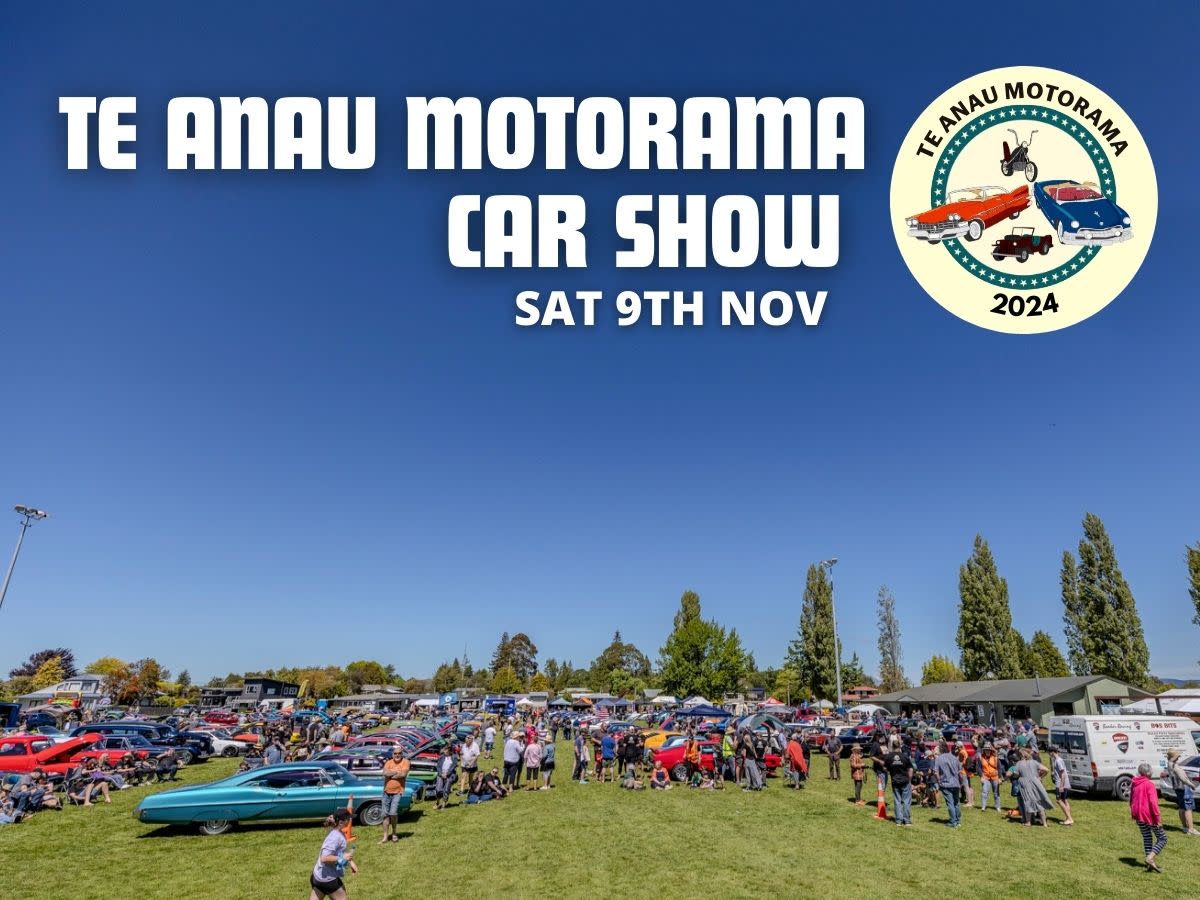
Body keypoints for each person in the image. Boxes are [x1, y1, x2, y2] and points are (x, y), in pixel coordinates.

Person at [310, 808, 357, 900]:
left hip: (318, 876)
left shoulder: (337, 830)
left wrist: (350, 861)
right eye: (348, 819)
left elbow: (338, 851)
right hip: (327, 879)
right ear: (340, 822)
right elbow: (324, 858)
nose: (350, 820)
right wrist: (342, 857)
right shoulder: (335, 837)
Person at [1131, 762, 1167, 872]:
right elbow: (1153, 803)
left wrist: (1133, 813)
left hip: (1138, 814)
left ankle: (1149, 864)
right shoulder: (1150, 785)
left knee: (1147, 838)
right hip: (1149, 815)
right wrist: (1157, 818)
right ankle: (1150, 858)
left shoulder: (1134, 783)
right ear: (1148, 772)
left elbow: (1131, 799)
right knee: (1162, 838)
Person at [1013, 747, 1052, 827]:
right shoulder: (1034, 762)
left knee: (1028, 802)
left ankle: (1028, 822)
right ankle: (1044, 823)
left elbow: (1016, 774)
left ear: (1021, 755)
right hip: (1036, 783)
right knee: (1039, 802)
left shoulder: (1019, 763)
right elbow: (1046, 770)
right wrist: (1040, 777)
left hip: (1025, 784)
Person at [1165, 748, 1199, 835]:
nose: (1179, 756)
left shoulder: (1169, 764)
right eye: (1178, 755)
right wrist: (1191, 785)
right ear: (1174, 756)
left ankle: (1184, 827)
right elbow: (1182, 778)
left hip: (1177, 788)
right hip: (1184, 788)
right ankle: (1191, 828)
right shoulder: (1174, 766)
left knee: (1182, 807)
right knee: (1188, 808)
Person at [379, 747, 409, 843]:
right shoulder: (388, 762)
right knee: (385, 815)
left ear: (402, 754)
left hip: (397, 792)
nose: (397, 755)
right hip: (386, 792)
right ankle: (385, 836)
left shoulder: (405, 762)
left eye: (399, 753)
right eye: (395, 753)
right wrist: (396, 772)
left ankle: (394, 833)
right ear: (392, 754)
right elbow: (384, 773)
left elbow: (403, 775)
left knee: (393, 813)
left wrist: (391, 774)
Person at [884, 736, 914, 826]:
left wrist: (891, 770)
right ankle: (907, 820)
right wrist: (909, 780)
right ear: (900, 746)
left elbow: (885, 768)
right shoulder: (904, 757)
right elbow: (911, 769)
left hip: (895, 781)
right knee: (906, 801)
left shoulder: (889, 757)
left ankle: (899, 821)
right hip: (905, 781)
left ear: (892, 746)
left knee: (897, 801)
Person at [933, 741, 963, 827]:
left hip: (946, 784)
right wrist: (960, 782)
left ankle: (953, 822)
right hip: (956, 783)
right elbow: (960, 771)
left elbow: (936, 772)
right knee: (956, 803)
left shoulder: (938, 759)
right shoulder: (954, 758)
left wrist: (939, 781)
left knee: (950, 803)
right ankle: (958, 821)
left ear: (941, 749)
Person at [1048, 745, 1074, 826]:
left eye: (1049, 753)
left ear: (1052, 752)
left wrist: (1061, 786)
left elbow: (1063, 774)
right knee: (1064, 800)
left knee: (1059, 800)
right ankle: (1068, 818)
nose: (1049, 755)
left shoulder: (1058, 761)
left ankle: (1069, 818)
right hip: (1062, 783)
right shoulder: (1057, 760)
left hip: (1061, 783)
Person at [978, 744, 1002, 812]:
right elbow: (978, 768)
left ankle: (998, 807)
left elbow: (999, 768)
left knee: (996, 793)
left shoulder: (995, 757)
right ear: (984, 750)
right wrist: (981, 776)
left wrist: (999, 778)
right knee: (984, 792)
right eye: (986, 750)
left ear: (990, 750)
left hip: (995, 777)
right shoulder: (981, 757)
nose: (987, 751)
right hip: (985, 777)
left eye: (988, 750)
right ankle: (983, 807)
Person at [434, 744, 456, 810]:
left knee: (446, 790)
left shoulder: (454, 757)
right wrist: (441, 774)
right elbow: (438, 766)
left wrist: (447, 774)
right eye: (444, 749)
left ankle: (443, 804)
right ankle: (437, 802)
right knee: (438, 789)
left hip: (449, 775)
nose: (444, 751)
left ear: (449, 751)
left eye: (445, 750)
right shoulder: (441, 757)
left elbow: (453, 767)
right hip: (441, 775)